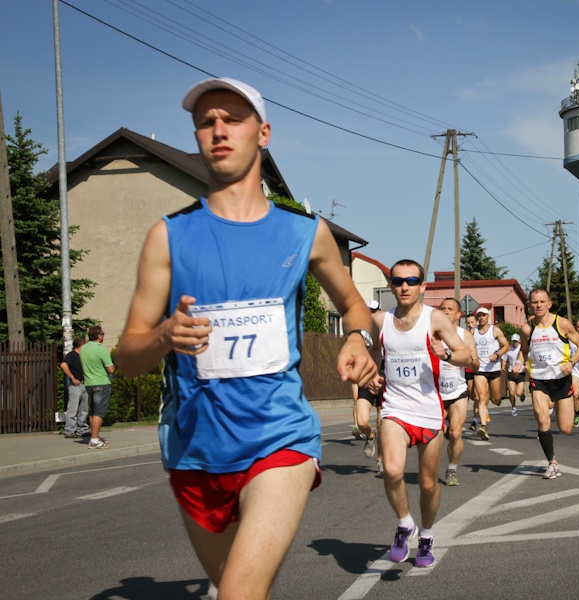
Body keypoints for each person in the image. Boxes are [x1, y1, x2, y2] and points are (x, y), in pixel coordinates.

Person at [115, 77, 378, 600]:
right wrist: (165, 334)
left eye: (232, 119)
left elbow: (355, 306)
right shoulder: (168, 236)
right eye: (206, 122)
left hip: (279, 439)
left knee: (237, 593)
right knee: (238, 589)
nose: (218, 130)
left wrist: (356, 339)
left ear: (263, 133)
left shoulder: (305, 233)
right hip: (194, 450)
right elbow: (127, 359)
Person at [371, 260, 471, 568]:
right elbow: (374, 350)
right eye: (398, 281)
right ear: (390, 285)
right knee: (392, 471)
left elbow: (467, 355)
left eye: (412, 281)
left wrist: (448, 354)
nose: (405, 286)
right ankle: (405, 524)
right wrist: (374, 372)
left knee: (428, 484)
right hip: (395, 407)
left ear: (422, 286)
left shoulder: (434, 318)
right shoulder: (380, 320)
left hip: (428, 411)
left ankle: (426, 536)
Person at [520, 289, 579, 479]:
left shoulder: (561, 323)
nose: (538, 305)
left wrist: (572, 362)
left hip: (561, 379)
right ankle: (552, 463)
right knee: (542, 420)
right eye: (534, 302)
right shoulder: (527, 329)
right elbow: (524, 350)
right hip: (539, 379)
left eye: (542, 302)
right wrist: (522, 362)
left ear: (549, 304)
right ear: (530, 305)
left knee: (565, 428)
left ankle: (564, 403)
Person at [436, 297, 479, 487]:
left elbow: (476, 365)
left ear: (458, 314)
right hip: (435, 392)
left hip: (458, 390)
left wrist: (468, 358)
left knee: (455, 433)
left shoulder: (465, 336)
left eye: (450, 309)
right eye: (442, 308)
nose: (445, 311)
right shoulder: (430, 334)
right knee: (435, 435)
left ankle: (451, 470)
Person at [351, 299, 384, 471]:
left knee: (381, 425)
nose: (371, 314)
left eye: (374, 311)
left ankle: (380, 459)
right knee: (362, 421)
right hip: (366, 381)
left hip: (385, 381)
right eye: (369, 311)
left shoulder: (388, 330)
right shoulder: (360, 333)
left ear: (380, 311)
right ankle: (370, 437)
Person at [472, 306, 509, 440]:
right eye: (479, 316)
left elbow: (506, 346)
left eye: (483, 315)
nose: (481, 318)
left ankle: (497, 399)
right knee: (482, 397)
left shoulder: (495, 330)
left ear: (488, 316)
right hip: (480, 369)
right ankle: (483, 426)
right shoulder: (473, 332)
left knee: (494, 398)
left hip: (493, 369)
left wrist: (497, 355)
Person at [80, 325, 115, 449]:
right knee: (99, 413)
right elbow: (111, 369)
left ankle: (94, 436)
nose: (103, 336)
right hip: (101, 382)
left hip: (89, 383)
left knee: (93, 412)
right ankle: (94, 440)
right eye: (103, 334)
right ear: (99, 336)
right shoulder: (101, 349)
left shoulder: (83, 349)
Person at [60, 336, 90, 439]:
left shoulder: (84, 356)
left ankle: (82, 429)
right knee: (73, 409)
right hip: (76, 385)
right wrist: (72, 378)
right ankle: (70, 430)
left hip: (85, 384)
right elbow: (63, 365)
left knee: (84, 409)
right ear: (82, 344)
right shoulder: (72, 355)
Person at [502, 333, 527, 417]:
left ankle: (522, 393)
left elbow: (525, 358)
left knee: (518, 393)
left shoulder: (522, 348)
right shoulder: (509, 349)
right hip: (511, 372)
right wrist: (503, 366)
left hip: (520, 373)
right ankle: (513, 407)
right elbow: (504, 359)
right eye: (513, 341)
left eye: (516, 341)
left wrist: (525, 366)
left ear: (519, 341)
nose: (515, 343)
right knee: (511, 392)